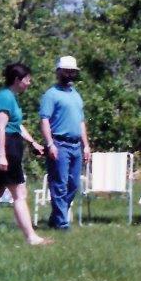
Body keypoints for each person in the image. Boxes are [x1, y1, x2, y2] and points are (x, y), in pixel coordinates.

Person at [0, 63, 52, 245]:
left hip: (12, 145)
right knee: (19, 193)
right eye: (27, 79)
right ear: (17, 80)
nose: (30, 83)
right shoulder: (5, 97)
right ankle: (32, 237)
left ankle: (31, 237)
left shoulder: (11, 97)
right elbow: (0, 127)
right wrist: (1, 155)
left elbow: (17, 125)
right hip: (7, 148)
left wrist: (33, 142)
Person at [39, 55, 91, 230]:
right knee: (59, 184)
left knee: (73, 185)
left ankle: (55, 218)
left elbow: (81, 122)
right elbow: (45, 120)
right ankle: (62, 224)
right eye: (66, 71)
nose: (69, 74)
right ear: (59, 72)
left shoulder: (76, 95)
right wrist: (50, 144)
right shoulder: (51, 94)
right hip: (59, 144)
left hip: (76, 145)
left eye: (72, 72)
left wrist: (86, 145)